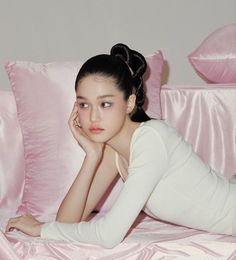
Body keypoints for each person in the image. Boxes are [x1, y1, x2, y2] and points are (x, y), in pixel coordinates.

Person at [5, 43, 236, 248]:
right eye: (84, 105)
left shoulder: (152, 139)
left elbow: (108, 235)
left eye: (105, 103)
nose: (93, 117)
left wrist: (42, 229)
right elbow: (67, 223)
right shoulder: (114, 152)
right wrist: (92, 157)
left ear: (129, 103)